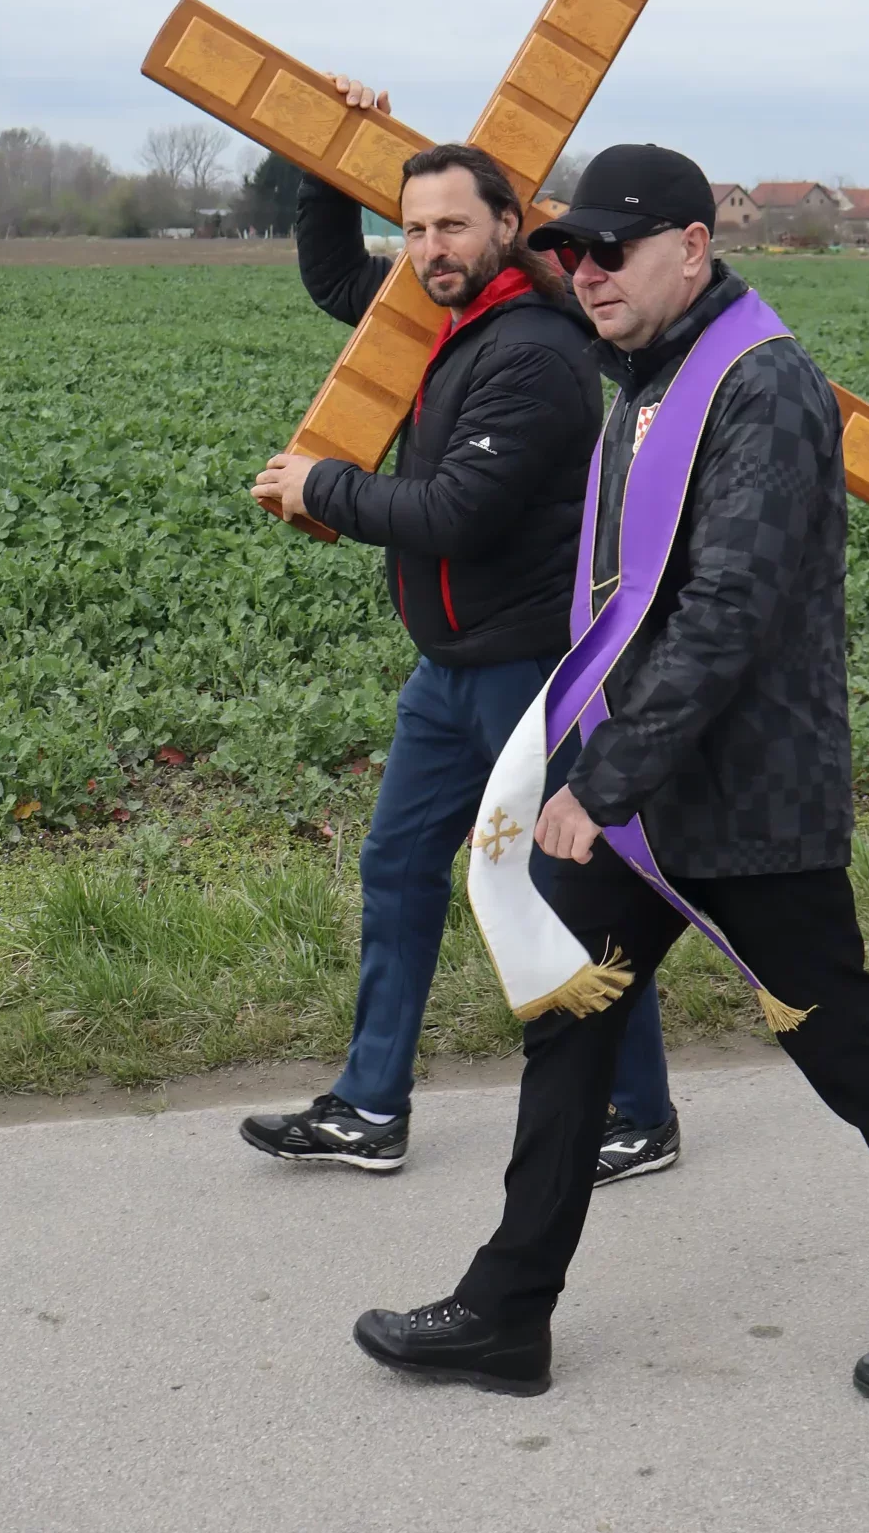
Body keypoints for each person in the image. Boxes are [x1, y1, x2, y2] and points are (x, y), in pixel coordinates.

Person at [352, 144, 869, 1402]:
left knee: (841, 1040)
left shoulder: (758, 386)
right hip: (654, 787)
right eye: (570, 251)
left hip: (745, 795)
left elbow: (726, 613)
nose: (586, 270)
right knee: (569, 1016)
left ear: (694, 246)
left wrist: (600, 782)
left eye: (613, 248)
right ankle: (508, 1309)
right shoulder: (642, 378)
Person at [239, 98, 677, 1184]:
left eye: (453, 228)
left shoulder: (533, 351)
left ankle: (640, 1112)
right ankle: (368, 1106)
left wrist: (321, 484)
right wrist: (325, 164)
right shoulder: (447, 316)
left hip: (530, 671)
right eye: (415, 227)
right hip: (447, 672)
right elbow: (342, 282)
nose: (430, 248)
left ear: (507, 226)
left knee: (573, 883)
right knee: (396, 867)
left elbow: (453, 513)